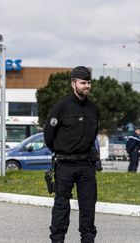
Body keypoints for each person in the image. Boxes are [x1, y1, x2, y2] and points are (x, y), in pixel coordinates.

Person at [44, 66, 99, 243]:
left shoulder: (93, 108)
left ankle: (88, 239)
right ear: (73, 84)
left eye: (89, 82)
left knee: (88, 206)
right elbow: (49, 135)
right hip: (65, 164)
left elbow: (93, 134)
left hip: (86, 165)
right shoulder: (62, 106)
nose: (87, 86)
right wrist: (61, 151)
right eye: (83, 83)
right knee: (61, 205)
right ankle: (58, 240)